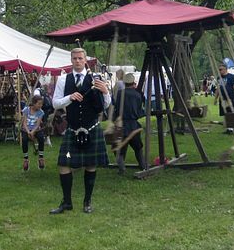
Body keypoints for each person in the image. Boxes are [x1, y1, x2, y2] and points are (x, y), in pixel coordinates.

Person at [50, 48, 111, 214]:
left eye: (80, 58)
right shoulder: (64, 80)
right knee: (64, 162)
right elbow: (55, 103)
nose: (77, 61)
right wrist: (69, 98)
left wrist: (105, 92)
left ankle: (87, 201)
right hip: (73, 130)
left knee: (91, 165)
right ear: (71, 60)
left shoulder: (95, 78)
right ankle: (67, 202)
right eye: (74, 58)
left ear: (85, 60)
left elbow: (105, 105)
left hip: (92, 130)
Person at [111, 72, 147, 173]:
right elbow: (140, 111)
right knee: (138, 147)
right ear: (133, 83)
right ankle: (142, 166)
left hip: (121, 124)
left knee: (118, 147)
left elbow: (115, 106)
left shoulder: (119, 93)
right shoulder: (138, 95)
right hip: (133, 125)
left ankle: (122, 168)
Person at [22, 94, 46, 171]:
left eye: (41, 104)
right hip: (26, 129)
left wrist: (32, 132)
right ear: (34, 103)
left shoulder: (41, 112)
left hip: (36, 129)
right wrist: (28, 132)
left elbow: (38, 124)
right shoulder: (26, 110)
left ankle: (41, 157)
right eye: (39, 103)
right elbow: (24, 123)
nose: (40, 105)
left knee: (41, 138)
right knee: (24, 140)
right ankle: (26, 159)